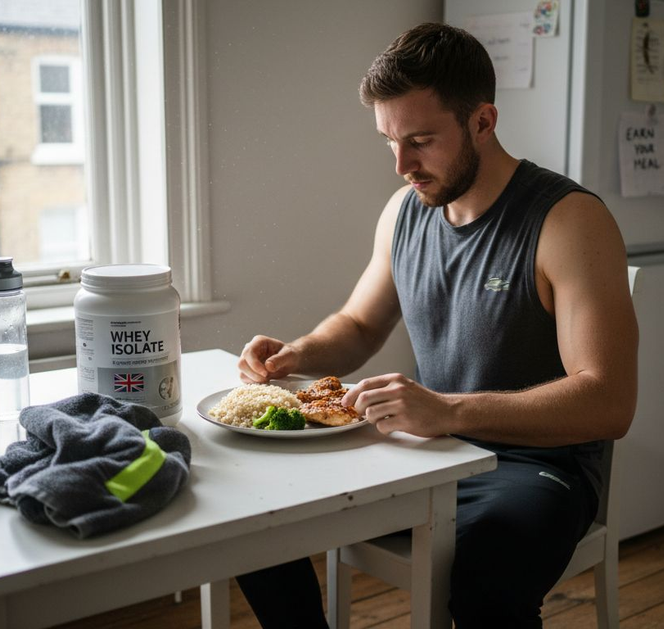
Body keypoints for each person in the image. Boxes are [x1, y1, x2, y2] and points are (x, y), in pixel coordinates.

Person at [234, 22, 638, 628]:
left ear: (483, 122)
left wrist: (447, 410)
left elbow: (609, 401)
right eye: (389, 142)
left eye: (420, 140)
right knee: (253, 515)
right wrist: (298, 353)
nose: (402, 165)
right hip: (424, 453)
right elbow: (359, 324)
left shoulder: (569, 221)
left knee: (487, 580)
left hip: (534, 468)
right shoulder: (405, 210)